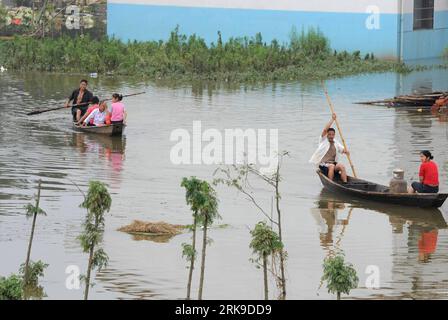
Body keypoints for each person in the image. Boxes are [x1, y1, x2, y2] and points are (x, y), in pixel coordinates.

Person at [309, 114, 350, 183]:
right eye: (329, 134)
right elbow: (325, 130)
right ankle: (330, 183)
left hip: (333, 164)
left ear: (334, 135)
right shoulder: (323, 140)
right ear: (327, 135)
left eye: (332, 134)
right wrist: (332, 119)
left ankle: (345, 183)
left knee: (342, 166)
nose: (331, 136)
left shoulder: (336, 143)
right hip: (323, 164)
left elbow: (342, 150)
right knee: (331, 166)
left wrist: (346, 151)